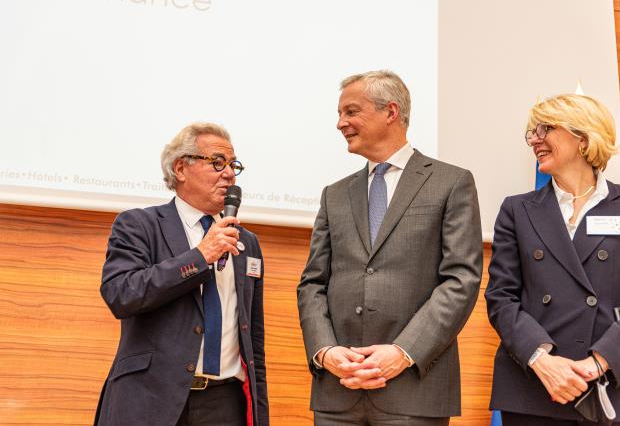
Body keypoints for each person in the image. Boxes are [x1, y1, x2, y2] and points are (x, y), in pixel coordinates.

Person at [297, 70, 483, 425]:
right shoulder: (334, 194)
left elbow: (461, 280)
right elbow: (312, 284)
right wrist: (326, 352)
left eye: (351, 112)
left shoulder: (452, 182)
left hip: (414, 389)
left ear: (391, 112)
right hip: (338, 391)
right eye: (339, 114)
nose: (340, 123)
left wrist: (403, 352)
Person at [94, 123, 268, 426]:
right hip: (150, 398)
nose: (229, 173)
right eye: (217, 162)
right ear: (181, 168)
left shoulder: (246, 242)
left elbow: (253, 336)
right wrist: (201, 256)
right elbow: (121, 294)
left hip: (225, 403)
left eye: (233, 165)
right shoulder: (139, 225)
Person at [485, 94, 620, 425]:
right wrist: (543, 361)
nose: (533, 141)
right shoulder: (517, 210)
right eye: (531, 133)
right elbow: (501, 298)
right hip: (534, 389)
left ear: (582, 138)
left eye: (543, 129)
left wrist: (599, 362)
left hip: (613, 388)